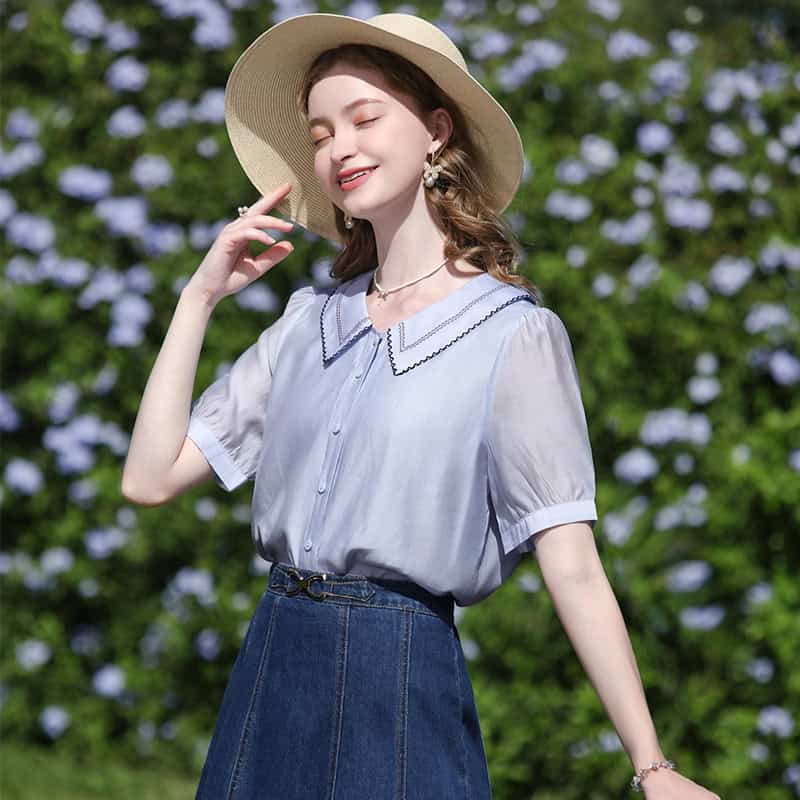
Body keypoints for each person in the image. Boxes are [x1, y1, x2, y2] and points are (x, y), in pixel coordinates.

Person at [121, 12, 720, 800]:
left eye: (365, 118)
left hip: (397, 680)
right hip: (273, 664)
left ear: (436, 130)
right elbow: (149, 479)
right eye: (322, 131)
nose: (339, 148)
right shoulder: (308, 322)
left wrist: (652, 766)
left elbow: (570, 563)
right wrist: (198, 298)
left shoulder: (515, 335)